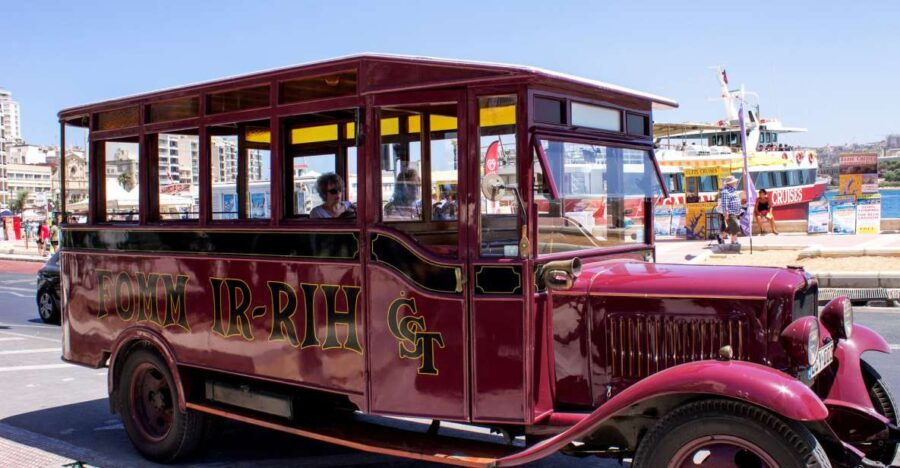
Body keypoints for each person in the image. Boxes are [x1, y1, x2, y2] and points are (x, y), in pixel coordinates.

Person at [718, 176, 742, 244]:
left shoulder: (733, 190)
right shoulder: (725, 191)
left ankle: (722, 237)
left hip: (736, 211)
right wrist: (726, 213)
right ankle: (733, 240)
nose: (736, 182)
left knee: (732, 226)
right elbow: (724, 203)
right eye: (734, 182)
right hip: (730, 212)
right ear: (730, 183)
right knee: (735, 225)